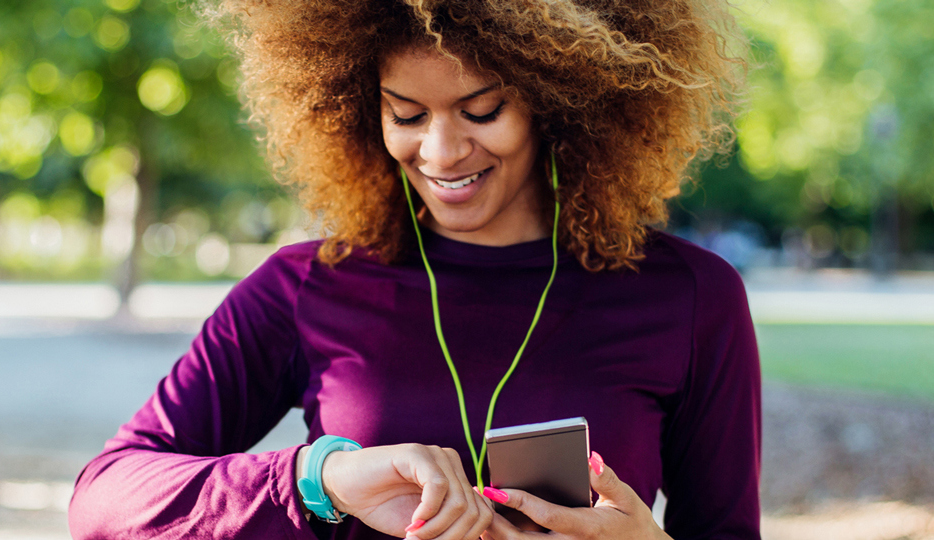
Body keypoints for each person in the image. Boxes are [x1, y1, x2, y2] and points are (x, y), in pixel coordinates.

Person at [68, 1, 760, 539]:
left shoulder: (689, 297)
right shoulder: (306, 287)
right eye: (405, 113)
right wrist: (322, 479)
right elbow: (105, 496)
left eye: (481, 110)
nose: (441, 150)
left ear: (559, 98)